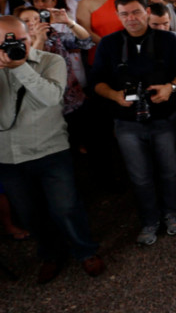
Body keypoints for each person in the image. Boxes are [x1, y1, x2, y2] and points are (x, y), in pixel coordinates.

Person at [0, 15, 104, 283]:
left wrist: (20, 66)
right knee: (30, 214)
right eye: (5, 42)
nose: (13, 47)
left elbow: (50, 97)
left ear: (30, 37)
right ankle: (50, 255)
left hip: (50, 150)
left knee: (66, 207)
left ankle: (85, 251)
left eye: (20, 40)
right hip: (8, 157)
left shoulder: (50, 61)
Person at [90, 0, 176, 246]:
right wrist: (115, 95)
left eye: (136, 12)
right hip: (127, 122)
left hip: (164, 117)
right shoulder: (109, 44)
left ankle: (171, 213)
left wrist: (170, 88)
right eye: (124, 14)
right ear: (118, 15)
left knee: (169, 170)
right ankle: (149, 220)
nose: (131, 18)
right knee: (140, 176)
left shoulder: (167, 40)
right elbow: (97, 82)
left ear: (147, 11)